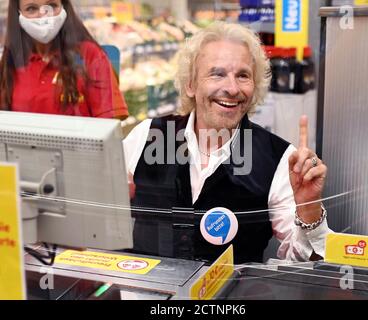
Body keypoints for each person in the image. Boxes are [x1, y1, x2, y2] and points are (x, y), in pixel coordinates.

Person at [123, 22, 331, 264]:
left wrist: (309, 209)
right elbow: (96, 217)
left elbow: (308, 264)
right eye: (217, 73)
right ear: (191, 84)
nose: (232, 89)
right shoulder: (146, 136)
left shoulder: (280, 158)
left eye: (243, 76)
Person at [0, 0, 129, 119]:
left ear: (64, 6)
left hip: (81, 144)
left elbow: (109, 126)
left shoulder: (91, 55)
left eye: (51, 6)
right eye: (31, 9)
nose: (43, 15)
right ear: (18, 13)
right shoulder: (10, 61)